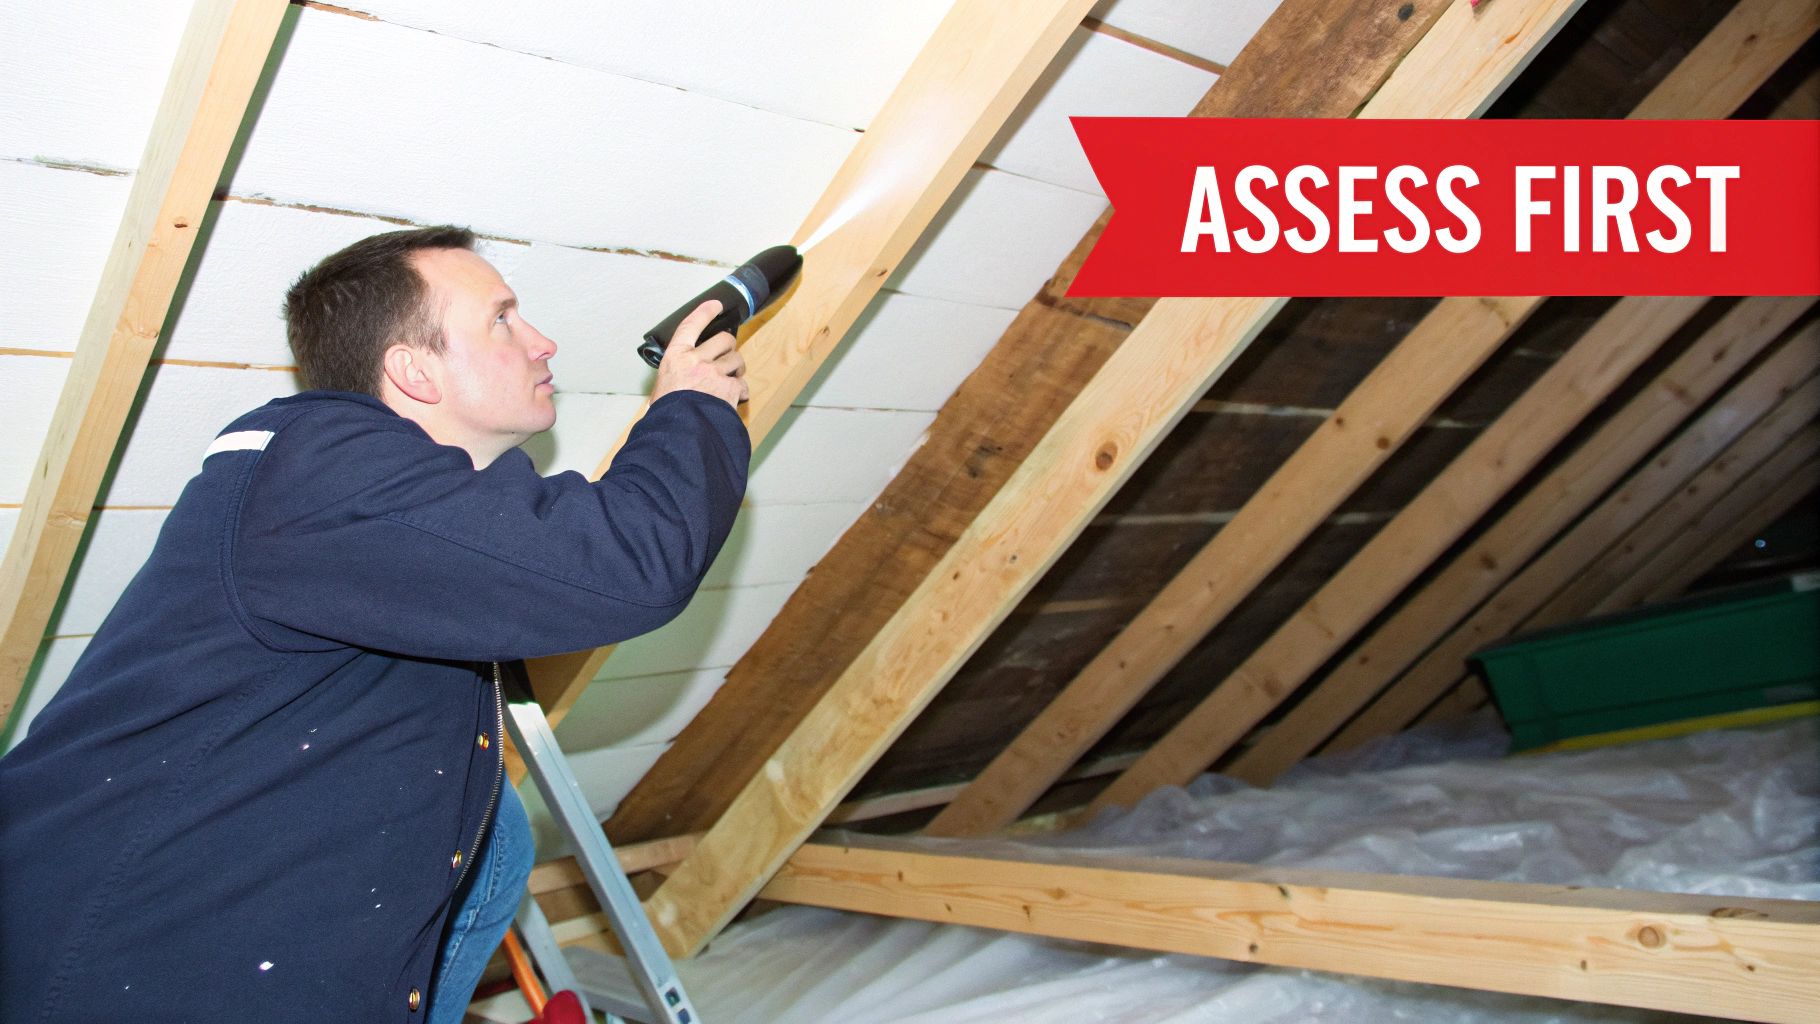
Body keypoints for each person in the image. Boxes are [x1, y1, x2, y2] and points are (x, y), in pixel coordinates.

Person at [0, 226, 751, 1022]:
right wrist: (692, 410)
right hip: (126, 954)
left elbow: (555, 559)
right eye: (502, 319)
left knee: (499, 851)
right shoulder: (320, 468)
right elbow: (624, 562)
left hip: (274, 942)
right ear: (412, 370)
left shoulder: (387, 509)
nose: (541, 341)